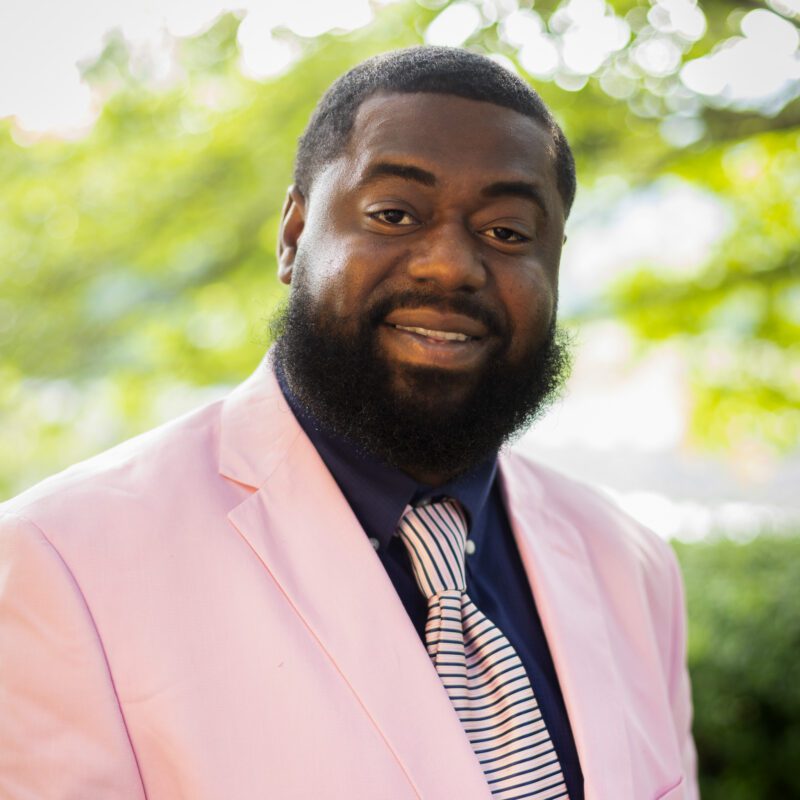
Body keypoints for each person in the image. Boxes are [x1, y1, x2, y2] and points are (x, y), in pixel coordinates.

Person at [0, 47, 698, 799]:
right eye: (394, 214)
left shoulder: (633, 564)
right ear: (293, 236)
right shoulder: (59, 564)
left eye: (506, 232)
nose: (450, 267)